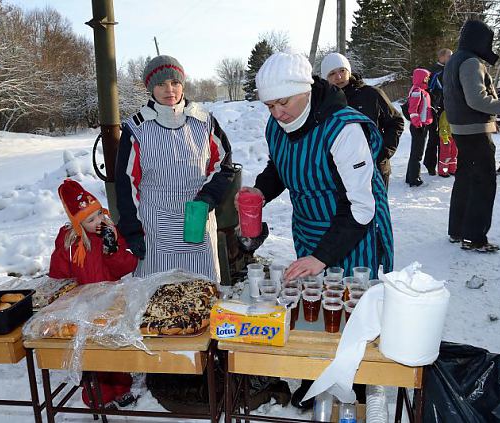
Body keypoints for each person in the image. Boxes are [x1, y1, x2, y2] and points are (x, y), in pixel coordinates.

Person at [241, 51, 394, 282]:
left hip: (350, 233)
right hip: (308, 229)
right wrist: (261, 190)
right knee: (314, 303)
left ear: (305, 89)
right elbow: (281, 165)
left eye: (283, 102)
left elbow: (360, 207)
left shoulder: (343, 130)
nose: (277, 113)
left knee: (347, 305)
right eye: (269, 105)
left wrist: (321, 257)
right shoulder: (277, 125)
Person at [115, 55, 235, 283]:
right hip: (155, 224)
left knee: (201, 291)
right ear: (150, 88)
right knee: (158, 299)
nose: (169, 90)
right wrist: (132, 230)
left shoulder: (204, 121)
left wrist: (209, 196)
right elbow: (126, 182)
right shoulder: (137, 128)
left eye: (175, 83)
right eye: (161, 84)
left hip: (198, 218)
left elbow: (224, 164)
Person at [48, 179, 138, 408]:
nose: (99, 221)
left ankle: (122, 387)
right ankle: (97, 393)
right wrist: (61, 255)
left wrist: (113, 250)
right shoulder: (68, 243)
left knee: (113, 344)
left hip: (112, 301)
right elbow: (59, 276)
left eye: (99, 213)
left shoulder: (110, 233)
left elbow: (127, 265)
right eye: (91, 219)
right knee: (90, 350)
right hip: (83, 306)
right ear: (78, 224)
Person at [443, 19, 500, 252]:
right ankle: (474, 237)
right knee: (483, 184)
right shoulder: (470, 62)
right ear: (479, 40)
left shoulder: (455, 59)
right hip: (475, 132)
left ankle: (457, 231)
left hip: (462, 130)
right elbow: (476, 99)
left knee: (465, 180)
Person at [321, 52, 404, 188]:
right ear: (326, 78)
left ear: (349, 71)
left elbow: (396, 122)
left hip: (375, 169)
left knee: (376, 209)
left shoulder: (371, 94)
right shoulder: (323, 103)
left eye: (342, 70)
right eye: (332, 74)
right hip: (339, 172)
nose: (339, 77)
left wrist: (384, 151)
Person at [425, 48, 453, 175]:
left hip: (447, 108)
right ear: (441, 57)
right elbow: (430, 90)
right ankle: (430, 164)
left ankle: (444, 165)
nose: (451, 58)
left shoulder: (449, 69)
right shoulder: (434, 71)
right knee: (434, 137)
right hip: (436, 109)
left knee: (446, 138)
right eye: (449, 56)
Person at [405, 68, 434, 187]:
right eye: (425, 77)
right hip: (419, 126)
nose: (427, 79)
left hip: (422, 124)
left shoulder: (422, 90)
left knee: (415, 152)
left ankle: (410, 176)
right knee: (417, 153)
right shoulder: (417, 91)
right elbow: (413, 110)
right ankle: (414, 179)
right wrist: (418, 124)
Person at [437, 111, 458, 177]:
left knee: (454, 153)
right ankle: (443, 171)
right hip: (446, 137)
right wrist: (445, 138)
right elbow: (443, 126)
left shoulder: (457, 111)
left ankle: (452, 169)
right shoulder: (446, 113)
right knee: (446, 155)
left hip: (454, 136)